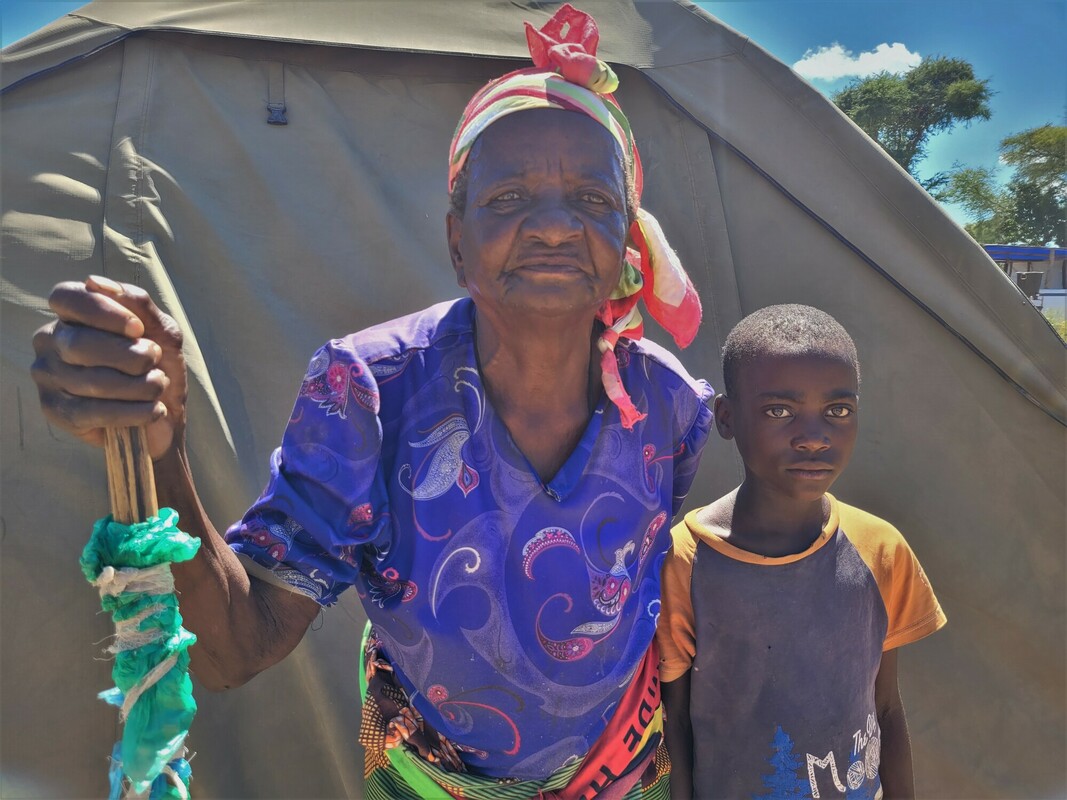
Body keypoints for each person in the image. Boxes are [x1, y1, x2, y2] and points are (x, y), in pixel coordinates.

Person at [31, 5, 713, 798]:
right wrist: (164, 452)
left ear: (629, 238)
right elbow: (232, 650)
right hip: (425, 781)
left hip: (625, 772)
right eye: (509, 198)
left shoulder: (665, 403)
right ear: (457, 242)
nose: (555, 227)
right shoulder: (371, 392)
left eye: (593, 201)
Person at [657, 305, 946, 800]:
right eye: (779, 411)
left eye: (838, 410)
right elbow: (675, 725)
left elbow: (887, 709)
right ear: (726, 418)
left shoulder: (880, 549)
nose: (814, 437)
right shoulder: (684, 560)